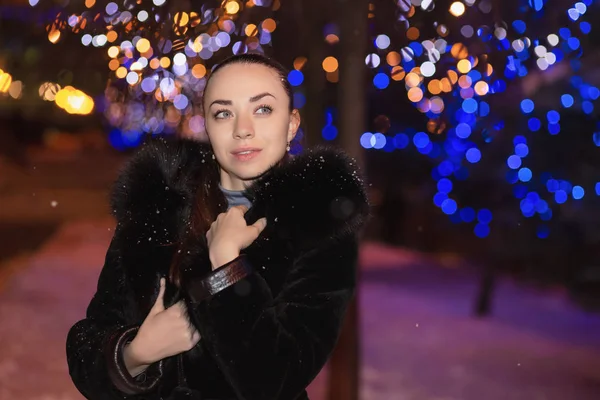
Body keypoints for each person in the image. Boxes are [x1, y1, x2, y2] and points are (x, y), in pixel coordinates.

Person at [66, 53, 369, 400]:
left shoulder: (317, 224)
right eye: (224, 113)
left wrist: (226, 266)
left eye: (263, 109)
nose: (243, 129)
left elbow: (277, 377)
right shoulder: (159, 206)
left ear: (291, 124)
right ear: (208, 126)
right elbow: (88, 341)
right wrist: (135, 354)